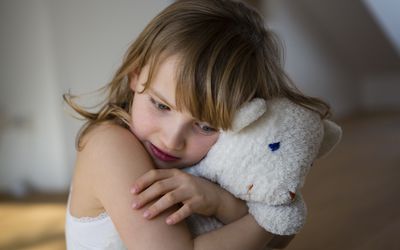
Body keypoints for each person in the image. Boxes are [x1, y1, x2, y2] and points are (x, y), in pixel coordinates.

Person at [64, 0, 331, 249]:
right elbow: (275, 233)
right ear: (136, 75)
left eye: (205, 126)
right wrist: (269, 218)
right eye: (161, 106)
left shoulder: (221, 158)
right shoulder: (109, 145)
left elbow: (278, 243)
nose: (172, 140)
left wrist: (219, 203)